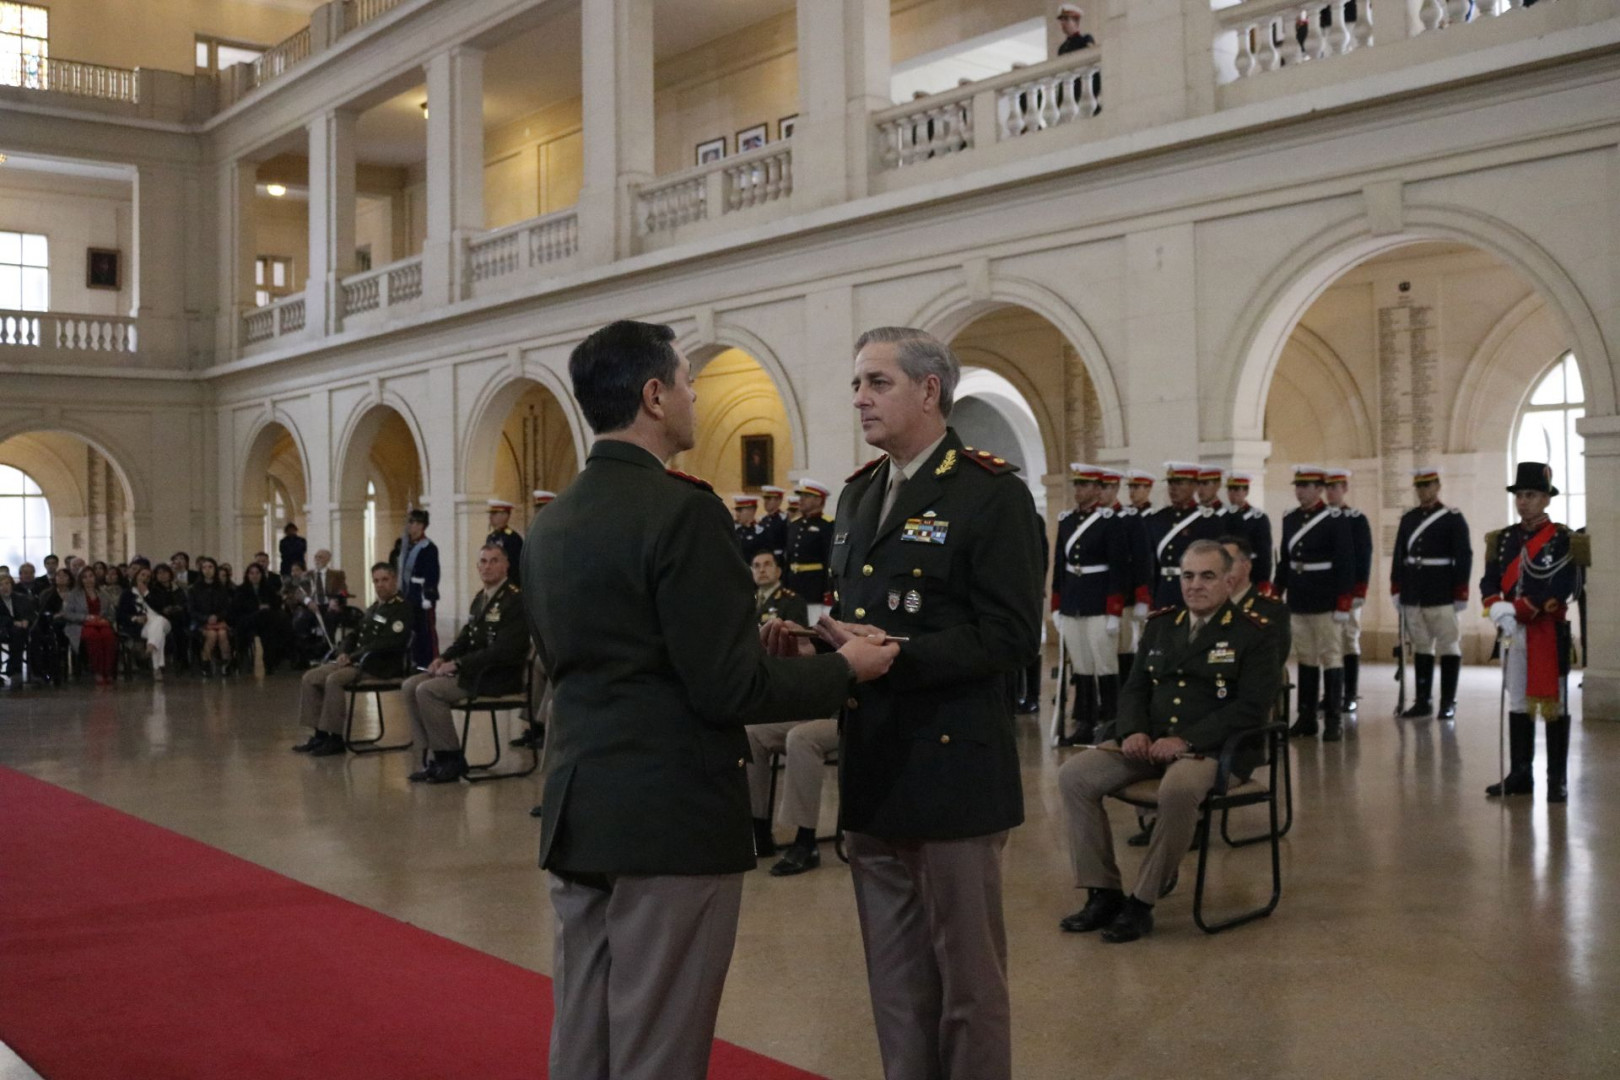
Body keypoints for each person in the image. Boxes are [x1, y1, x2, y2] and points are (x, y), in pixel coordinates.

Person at [524, 319, 894, 1080]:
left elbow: (601, 653)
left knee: (585, 1034)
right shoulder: (683, 511)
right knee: (658, 1040)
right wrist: (846, 668)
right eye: (688, 381)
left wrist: (740, 645)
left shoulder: (553, 521)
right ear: (655, 396)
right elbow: (728, 688)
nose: (695, 395)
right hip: (669, 813)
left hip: (579, 801)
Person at [765, 326, 1041, 1080]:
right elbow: (862, 619)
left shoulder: (990, 495)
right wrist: (823, 644)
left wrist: (897, 657)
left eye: (877, 383)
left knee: (968, 982)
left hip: (954, 770)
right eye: (857, 383)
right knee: (894, 981)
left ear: (929, 390)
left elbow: (1012, 635)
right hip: (875, 766)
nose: (859, 398)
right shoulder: (857, 498)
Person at [1056, 540, 1281, 942]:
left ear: (1229, 581)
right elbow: (1135, 688)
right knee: (1074, 776)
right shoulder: (1162, 625)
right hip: (1153, 743)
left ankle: (1141, 902)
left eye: (1207, 576)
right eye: (1187, 576)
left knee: (1177, 790)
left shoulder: (1255, 634)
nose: (1194, 585)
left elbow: (1251, 707)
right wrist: (1134, 730)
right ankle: (1102, 891)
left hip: (1217, 750)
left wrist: (1187, 740)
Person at [1481, 462, 1587, 803]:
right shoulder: (1503, 539)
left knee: (1554, 703)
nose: (1523, 502)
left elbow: (1566, 587)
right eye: (1519, 495)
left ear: (1545, 499)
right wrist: (1496, 605)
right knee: (1517, 700)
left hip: (1547, 630)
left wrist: (1517, 609)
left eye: (1530, 495)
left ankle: (1556, 778)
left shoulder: (1563, 539)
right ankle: (1520, 774)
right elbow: (1490, 580)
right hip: (1512, 631)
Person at [400, 544, 528, 783]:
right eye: (483, 561)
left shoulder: (515, 600)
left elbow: (504, 650)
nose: (487, 566)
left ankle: (451, 759)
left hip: (497, 676)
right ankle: (433, 758)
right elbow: (466, 637)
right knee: (409, 686)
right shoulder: (481, 598)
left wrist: (458, 665)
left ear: (506, 565)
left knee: (428, 690)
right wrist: (444, 658)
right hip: (474, 671)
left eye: (494, 561)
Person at [743, 549, 825, 874]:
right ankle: (758, 831)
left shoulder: (791, 601)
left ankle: (805, 840)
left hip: (814, 702)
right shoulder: (750, 603)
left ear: (779, 570)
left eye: (767, 565)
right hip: (775, 697)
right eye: (756, 566)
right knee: (750, 735)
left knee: (800, 738)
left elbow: (795, 652)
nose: (761, 571)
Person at [292, 563, 413, 757]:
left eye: (385, 580)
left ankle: (336, 738)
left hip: (379, 665)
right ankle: (320, 734)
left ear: (394, 580)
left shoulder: (401, 608)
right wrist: (343, 651)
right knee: (311, 677)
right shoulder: (375, 607)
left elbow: (389, 641)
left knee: (334, 680)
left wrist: (353, 656)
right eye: (376, 581)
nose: (380, 585)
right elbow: (355, 634)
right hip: (359, 660)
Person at [1052, 463, 1131, 746]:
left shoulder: (1110, 521)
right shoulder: (1066, 521)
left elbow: (1118, 568)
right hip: (1074, 601)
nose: (1079, 490)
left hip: (1098, 602)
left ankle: (1111, 721)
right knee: (1082, 666)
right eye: (1077, 485)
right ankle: (1084, 722)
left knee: (1105, 664)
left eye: (1085, 485)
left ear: (1098, 489)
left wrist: (1114, 610)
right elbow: (1060, 566)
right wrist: (1057, 605)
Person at [1275, 465, 1354, 741]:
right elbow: (1285, 560)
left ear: (1319, 488)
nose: (1300, 491)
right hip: (1299, 597)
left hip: (1326, 598)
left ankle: (1333, 720)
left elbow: (1346, 562)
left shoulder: (1334, 519)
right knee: (1306, 657)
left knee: (1331, 656)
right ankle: (1306, 717)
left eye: (1306, 486)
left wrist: (1344, 601)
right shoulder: (1291, 518)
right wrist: (1277, 590)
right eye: (1298, 486)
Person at [1392, 467, 1472, 719]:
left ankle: (1448, 701)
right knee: (1421, 646)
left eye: (1428, 485)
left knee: (1448, 645)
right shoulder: (1409, 518)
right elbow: (1399, 556)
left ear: (1437, 486)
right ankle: (1423, 700)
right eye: (1419, 486)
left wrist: (1460, 591)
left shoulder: (1452, 518)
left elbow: (1463, 556)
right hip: (1414, 592)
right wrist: (1397, 587)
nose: (1423, 491)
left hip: (1441, 591)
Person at [1324, 468, 1373, 715]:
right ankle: (1330, 695)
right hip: (1326, 591)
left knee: (1348, 640)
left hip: (1349, 590)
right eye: (1328, 487)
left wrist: (1359, 590)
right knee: (1327, 644)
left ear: (1344, 489)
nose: (1331, 492)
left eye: (1335, 487)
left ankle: (1350, 694)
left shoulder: (1355, 519)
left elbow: (1363, 557)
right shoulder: (1320, 518)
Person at [1141, 462, 1221, 610]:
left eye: (1179, 483)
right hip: (1164, 592)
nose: (1173, 488)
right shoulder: (1157, 519)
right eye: (1171, 483)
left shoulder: (1207, 521)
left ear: (1195, 486)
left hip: (1195, 592)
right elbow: (1150, 562)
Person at [391, 510, 441, 670]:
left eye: (413, 523)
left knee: (425, 632)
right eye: (409, 523)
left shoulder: (428, 547)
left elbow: (432, 574)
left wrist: (427, 595)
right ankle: (412, 661)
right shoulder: (404, 545)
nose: (409, 526)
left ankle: (429, 662)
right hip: (406, 594)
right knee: (408, 630)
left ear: (421, 525)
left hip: (421, 595)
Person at [785, 479, 834, 620]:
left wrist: (827, 590)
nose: (800, 500)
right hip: (793, 587)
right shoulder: (794, 525)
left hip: (814, 588)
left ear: (819, 500)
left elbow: (829, 560)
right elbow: (788, 559)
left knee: (813, 627)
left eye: (806, 496)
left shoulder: (827, 525)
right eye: (800, 496)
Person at [62, 566, 118, 686]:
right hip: (81, 625)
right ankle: (97, 672)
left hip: (101, 623)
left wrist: (105, 619)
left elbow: (111, 613)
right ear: (80, 580)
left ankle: (107, 672)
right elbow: (67, 613)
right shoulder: (74, 594)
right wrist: (85, 617)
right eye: (85, 577)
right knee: (93, 637)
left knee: (108, 637)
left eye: (91, 576)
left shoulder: (103, 593)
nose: (88, 580)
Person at [116, 565, 173, 680]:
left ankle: (150, 646)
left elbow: (161, 608)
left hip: (162, 622)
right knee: (158, 633)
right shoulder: (127, 593)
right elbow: (121, 615)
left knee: (158, 620)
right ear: (136, 576)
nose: (145, 578)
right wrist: (135, 618)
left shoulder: (156, 591)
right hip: (143, 626)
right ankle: (157, 668)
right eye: (142, 575)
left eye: (148, 576)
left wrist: (146, 593)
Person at [231, 562, 289, 674]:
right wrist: (258, 607)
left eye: (257, 573)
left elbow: (276, 602)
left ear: (261, 575)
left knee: (269, 629)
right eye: (252, 573)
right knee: (265, 616)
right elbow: (239, 607)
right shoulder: (241, 590)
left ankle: (271, 662)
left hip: (265, 623)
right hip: (247, 621)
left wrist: (268, 606)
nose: (255, 576)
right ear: (247, 575)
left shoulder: (268, 588)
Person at [1224, 471, 1274, 593]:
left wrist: (1264, 580)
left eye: (1236, 489)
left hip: (1252, 573)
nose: (1232, 494)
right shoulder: (1223, 515)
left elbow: (1264, 552)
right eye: (1230, 489)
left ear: (1246, 491)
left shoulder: (1258, 518)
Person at [188, 557, 235, 676]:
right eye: (204, 567)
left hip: (219, 621)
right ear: (201, 570)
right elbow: (191, 610)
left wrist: (217, 617)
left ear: (215, 569)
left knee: (222, 633)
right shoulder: (194, 589)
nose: (207, 570)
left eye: (210, 567)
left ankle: (226, 663)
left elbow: (227, 608)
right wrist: (206, 618)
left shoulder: (221, 588)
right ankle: (205, 662)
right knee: (212, 635)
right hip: (201, 622)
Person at [1, 575, 35, 685]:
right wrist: (12, 622)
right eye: (1, 585)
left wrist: (26, 620)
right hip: (4, 629)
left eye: (7, 584)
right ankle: (14, 668)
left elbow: (30, 613)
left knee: (35, 633)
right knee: (17, 633)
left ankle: (37, 670)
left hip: (21, 628)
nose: (4, 587)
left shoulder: (21, 598)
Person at [485, 499, 524, 585]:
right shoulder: (491, 537)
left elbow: (515, 566)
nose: (490, 517)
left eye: (494, 514)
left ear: (504, 516)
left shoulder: (513, 538)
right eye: (491, 514)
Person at [732, 493, 766, 561]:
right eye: (736, 510)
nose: (737, 514)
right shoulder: (736, 531)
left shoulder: (761, 532)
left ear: (751, 510)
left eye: (740, 510)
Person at [757, 484, 789, 557]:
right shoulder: (763, 520)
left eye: (769, 499)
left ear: (779, 501)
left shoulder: (784, 520)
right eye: (765, 498)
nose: (766, 502)